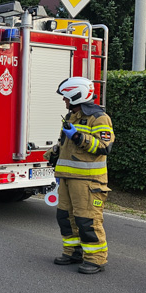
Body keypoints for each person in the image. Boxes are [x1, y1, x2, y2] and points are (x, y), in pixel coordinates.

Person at [45, 76, 115, 274]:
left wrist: (78, 137)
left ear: (77, 96)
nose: (64, 101)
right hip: (68, 178)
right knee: (65, 217)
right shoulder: (71, 117)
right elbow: (66, 145)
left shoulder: (100, 118)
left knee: (88, 220)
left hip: (89, 182)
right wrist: (55, 152)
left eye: (66, 97)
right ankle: (73, 252)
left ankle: (96, 259)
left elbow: (104, 147)